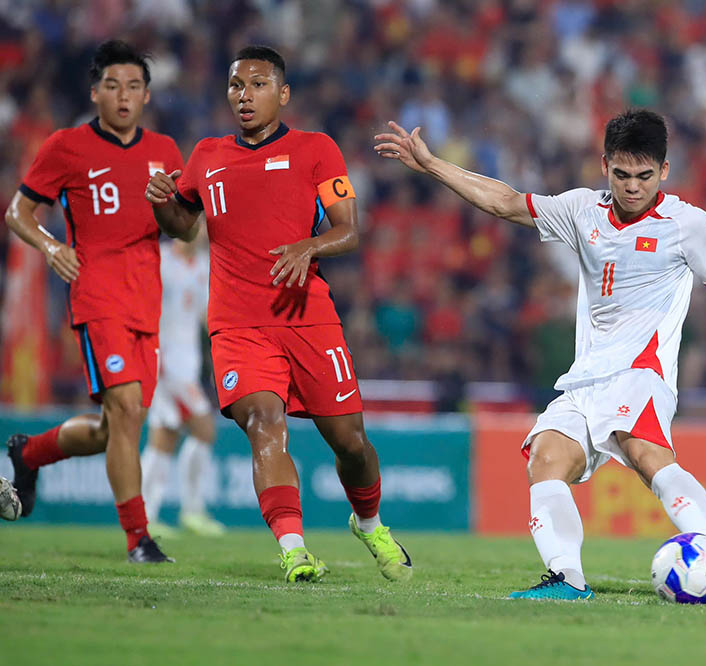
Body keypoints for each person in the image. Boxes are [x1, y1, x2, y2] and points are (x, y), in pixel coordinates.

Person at [375, 109, 706, 603]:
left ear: (664, 171)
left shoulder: (688, 224)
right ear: (604, 165)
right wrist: (433, 165)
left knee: (647, 456)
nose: (632, 187)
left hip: (640, 372)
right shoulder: (582, 210)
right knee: (545, 460)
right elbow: (506, 202)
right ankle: (567, 579)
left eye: (644, 177)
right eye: (621, 174)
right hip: (584, 380)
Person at [145, 45, 412, 583]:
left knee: (351, 444)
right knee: (266, 425)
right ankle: (294, 551)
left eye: (258, 85)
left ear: (283, 94)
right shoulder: (207, 156)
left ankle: (369, 522)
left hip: (308, 317)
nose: (244, 96)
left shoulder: (317, 150)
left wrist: (308, 247)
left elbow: (349, 230)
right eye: (236, 86)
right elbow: (182, 225)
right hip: (238, 324)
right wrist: (161, 202)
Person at [4, 40, 184, 563]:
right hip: (96, 296)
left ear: (147, 96)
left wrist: (181, 215)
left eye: (132, 86)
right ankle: (138, 539)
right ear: (95, 92)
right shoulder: (66, 147)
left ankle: (30, 451)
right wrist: (53, 246)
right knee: (126, 409)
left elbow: (186, 229)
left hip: (148, 303)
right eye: (112, 86)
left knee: (117, 429)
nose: (122, 95)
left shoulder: (167, 153)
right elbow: (18, 212)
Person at [141, 234, 225, 538]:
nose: (204, 231)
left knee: (164, 436)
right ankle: (192, 510)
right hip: (165, 365)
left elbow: (206, 315)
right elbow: (142, 304)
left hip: (187, 365)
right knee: (205, 428)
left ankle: (145, 516)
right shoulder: (160, 260)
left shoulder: (203, 264)